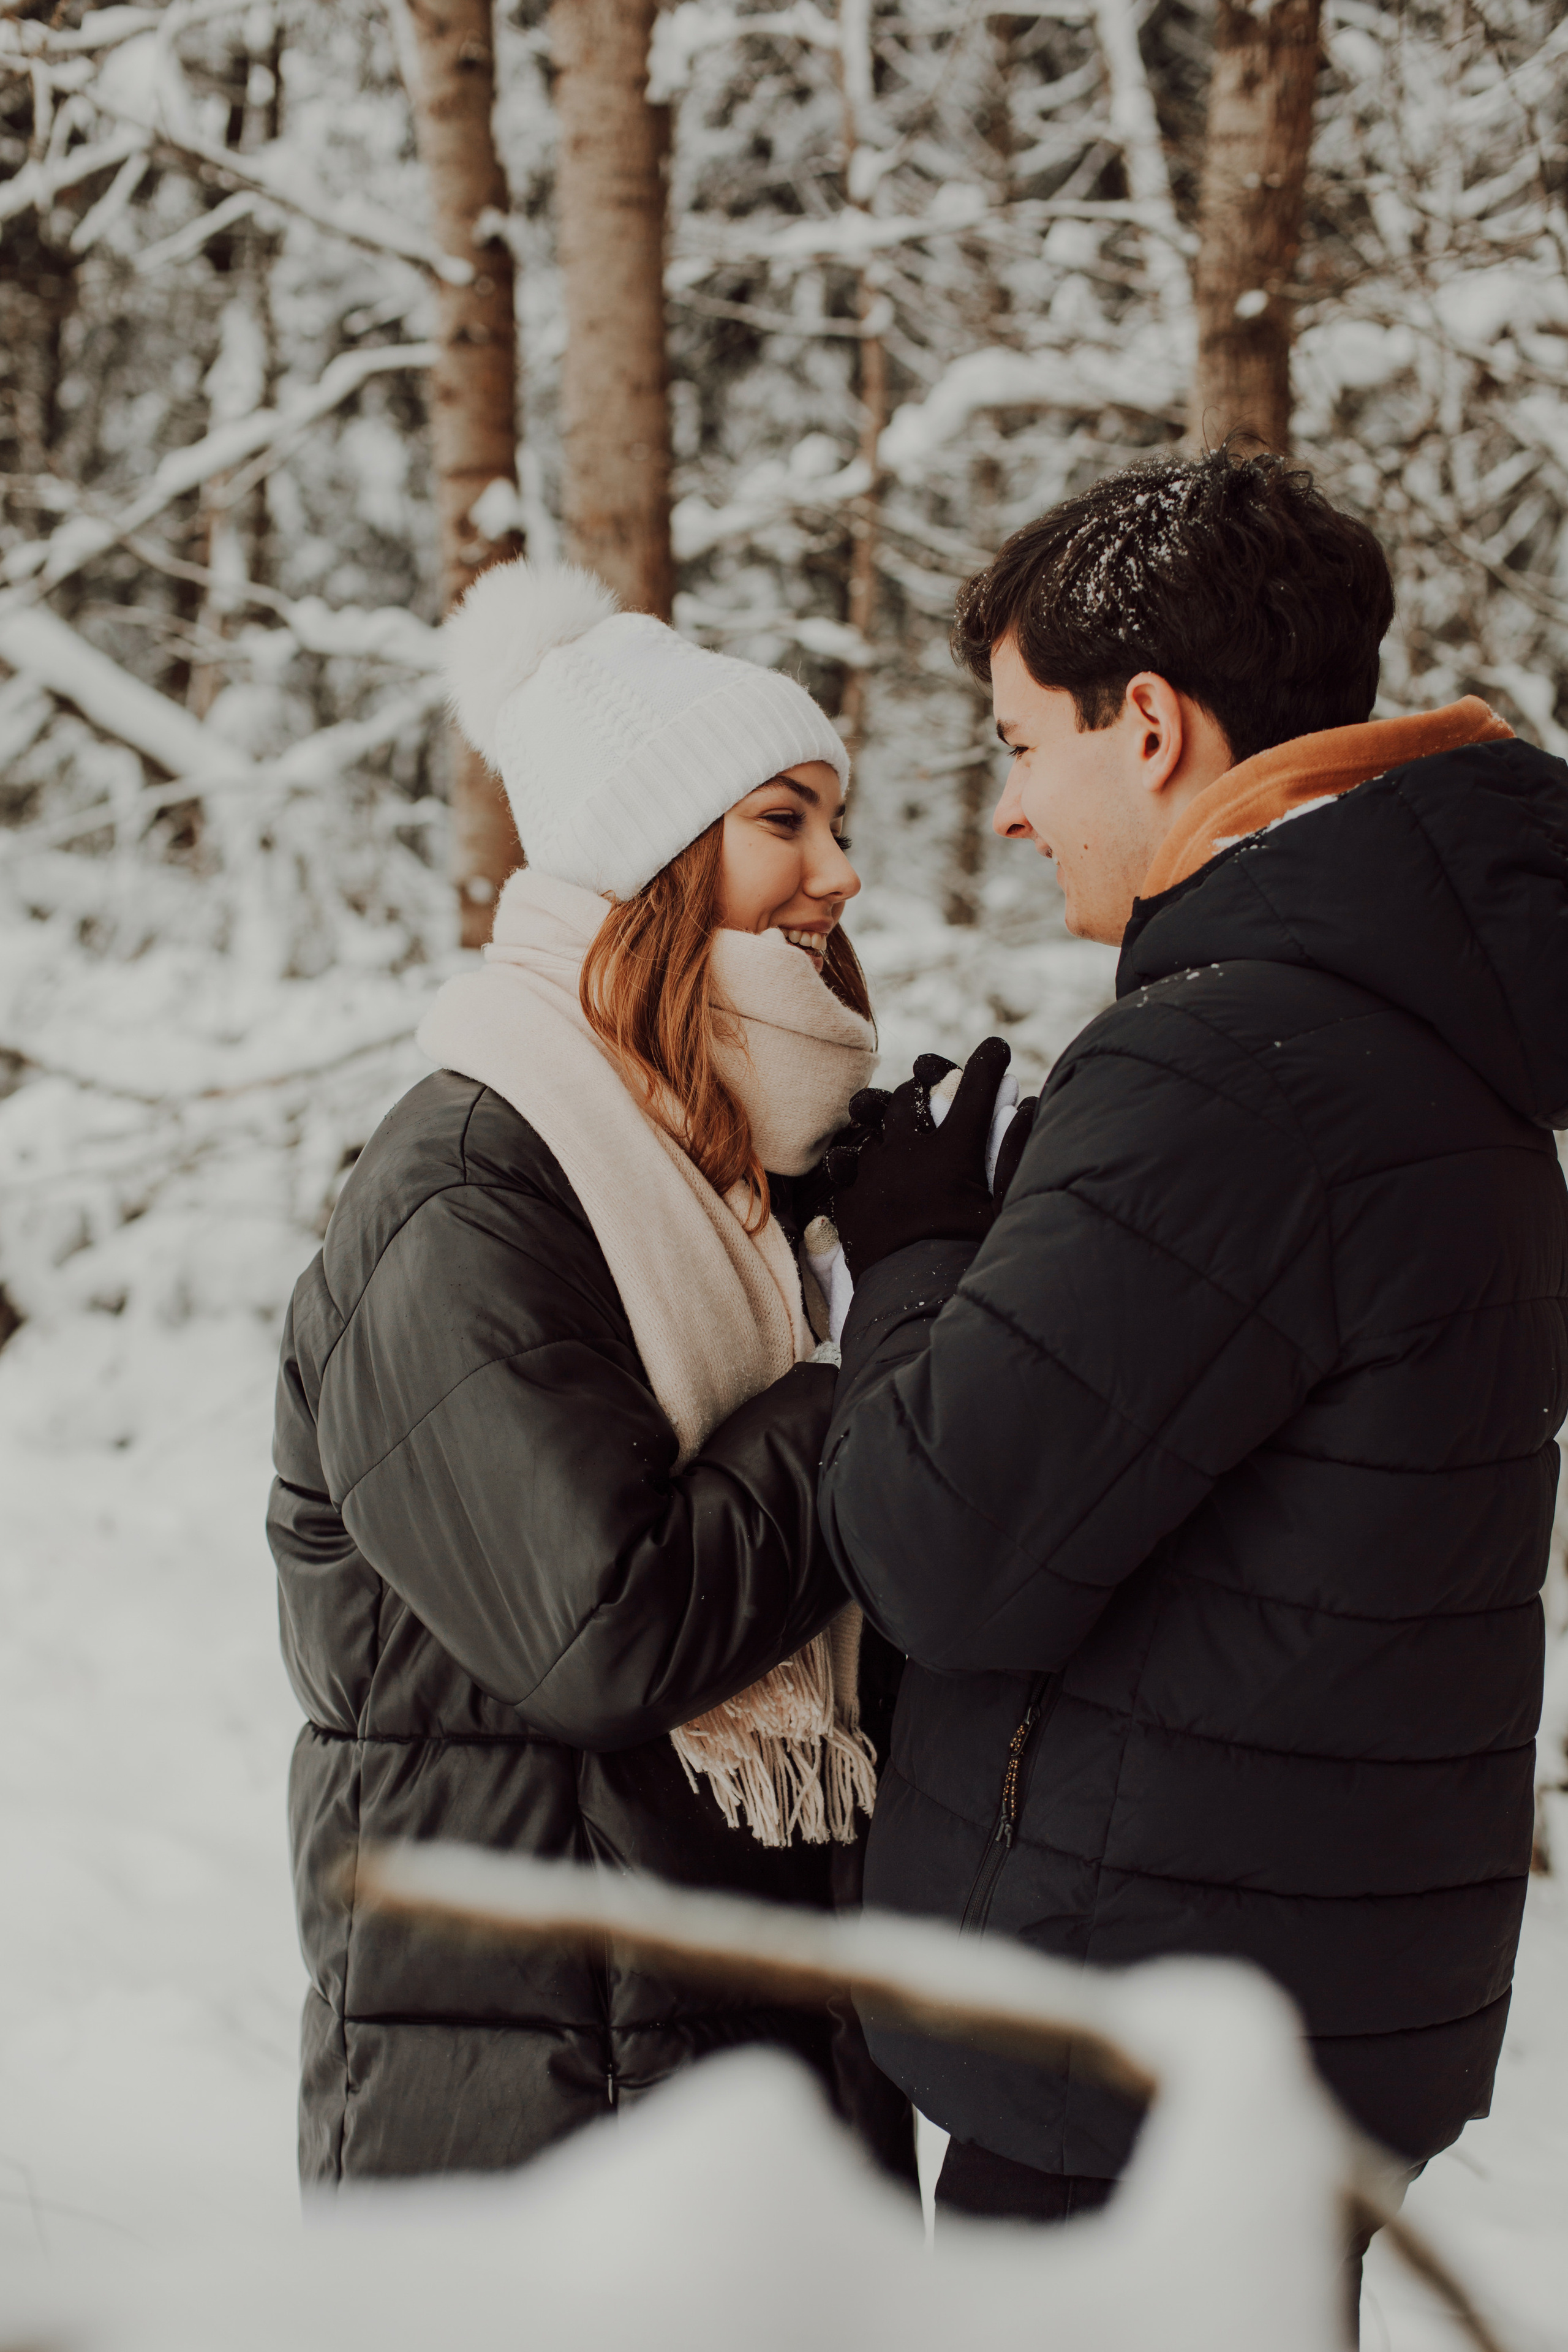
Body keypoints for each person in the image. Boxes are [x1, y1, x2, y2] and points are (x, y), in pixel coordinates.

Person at [816, 445, 1568, 2329]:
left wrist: (914, 1255)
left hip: (1129, 2053)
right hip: (1284, 2008)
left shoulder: (1233, 1062)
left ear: (1147, 725)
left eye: (1013, 745)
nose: (1006, 815)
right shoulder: (1424, 1027)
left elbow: (937, 1545)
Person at [268, 558, 910, 2184]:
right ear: (660, 856)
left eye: (837, 819)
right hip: (535, 2097)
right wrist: (867, 1379)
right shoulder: (474, 1183)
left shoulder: (720, 1181)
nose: (842, 871)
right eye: (785, 819)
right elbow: (605, 1627)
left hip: (720, 2045)